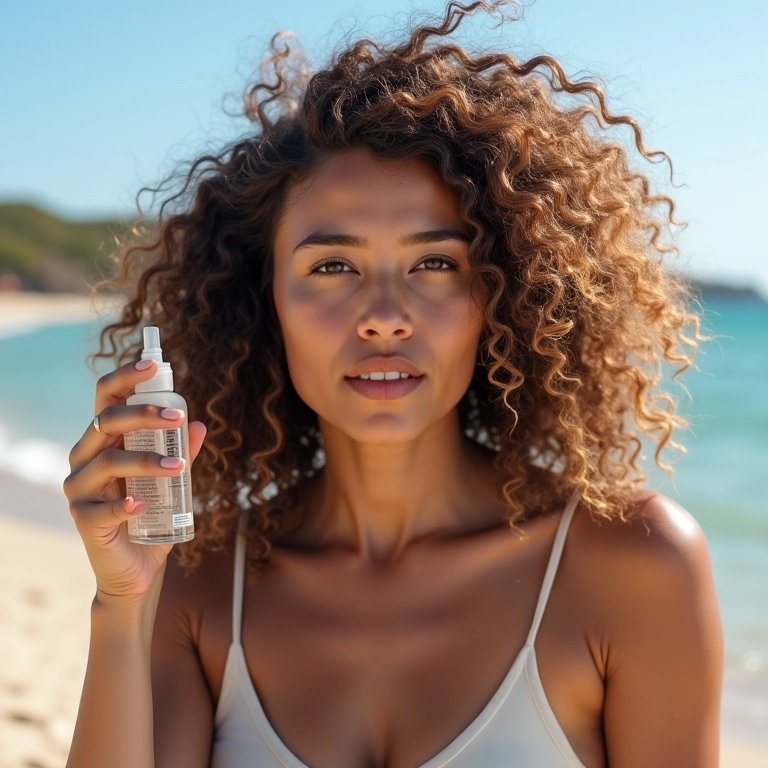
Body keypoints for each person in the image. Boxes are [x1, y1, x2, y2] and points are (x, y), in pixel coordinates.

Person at [62, 2, 723, 766]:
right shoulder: (201, 582)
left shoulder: (633, 566)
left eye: (435, 264)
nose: (383, 317)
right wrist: (120, 607)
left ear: (503, 292)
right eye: (332, 266)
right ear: (263, 297)